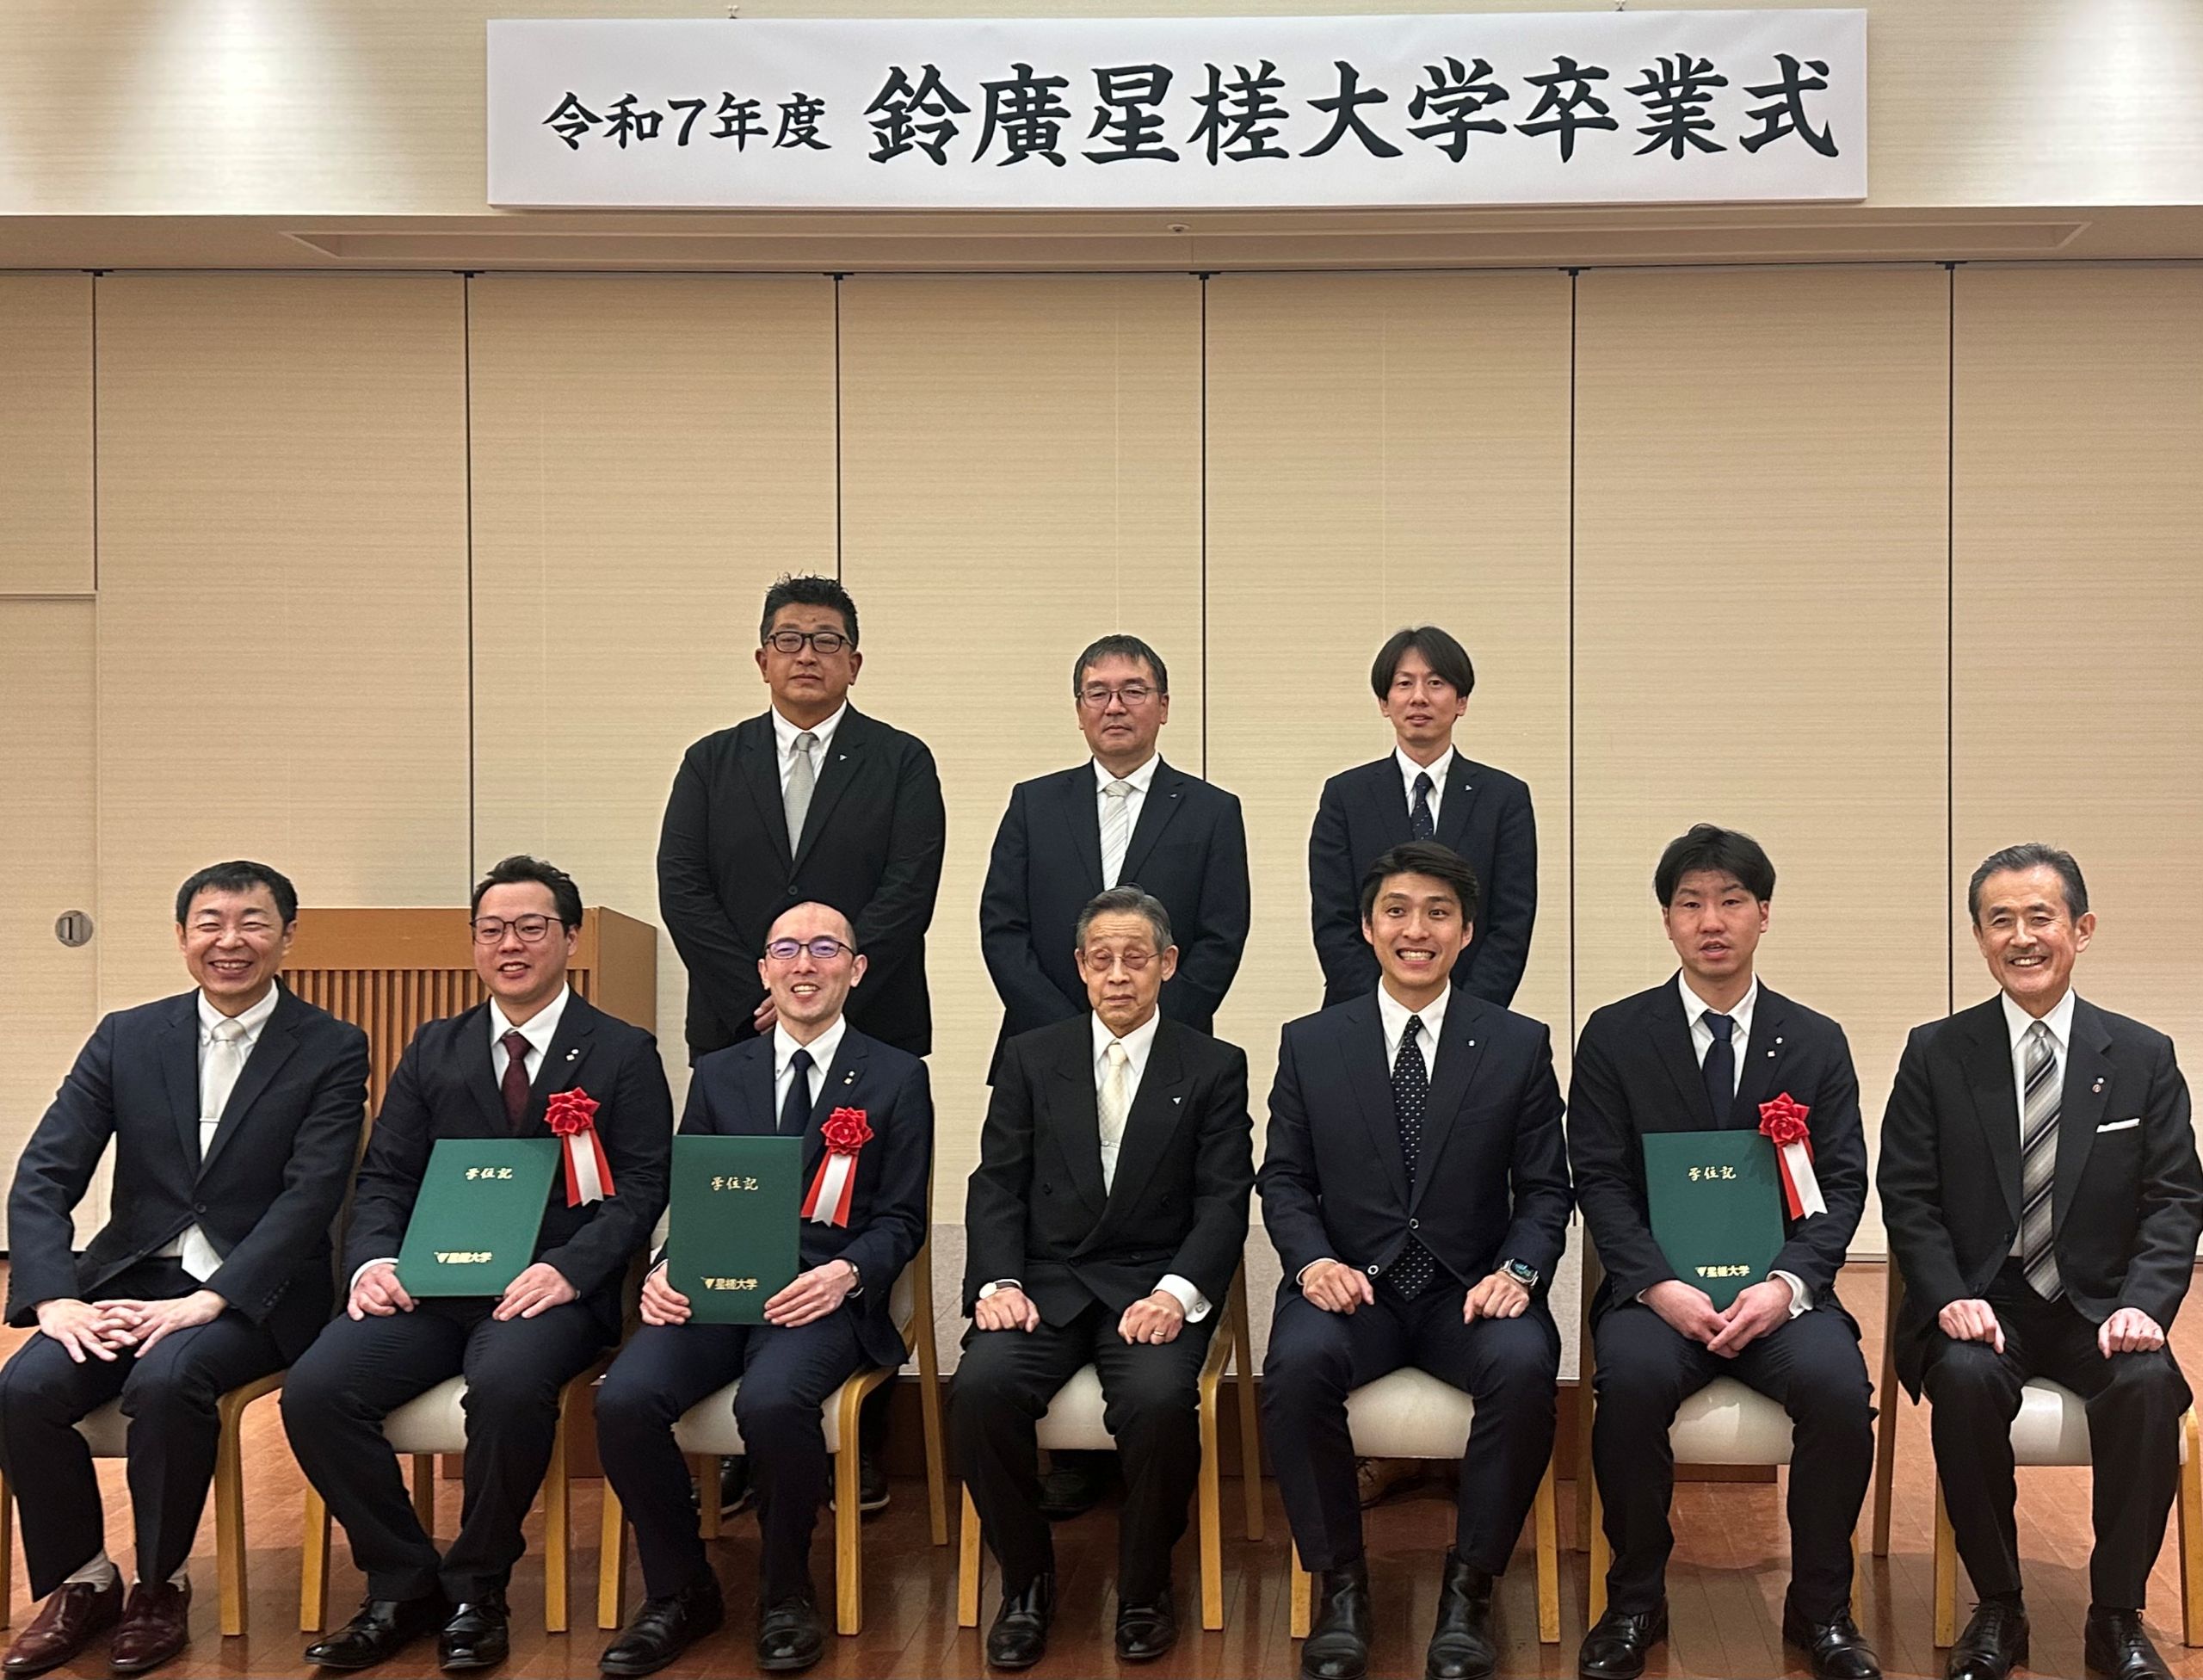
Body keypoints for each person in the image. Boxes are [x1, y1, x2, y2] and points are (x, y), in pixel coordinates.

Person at [283, 855, 672, 1673]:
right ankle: (401, 1581)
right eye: (492, 929)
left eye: (532, 927)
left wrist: (570, 1269)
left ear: (571, 939)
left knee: (507, 1387)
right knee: (316, 1390)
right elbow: (386, 1175)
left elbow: (642, 1186)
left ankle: (477, 1589)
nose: (510, 945)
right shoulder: (436, 1046)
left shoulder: (621, 1051)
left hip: (550, 1292)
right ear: (473, 942)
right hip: (432, 1286)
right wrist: (374, 1261)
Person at [0, 862, 368, 1678]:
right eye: (209, 923)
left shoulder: (332, 1047)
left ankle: (160, 1585)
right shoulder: (126, 1036)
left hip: (255, 1293)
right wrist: (55, 1297)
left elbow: (311, 1196)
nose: (229, 941)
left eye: (252, 923)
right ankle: (83, 1581)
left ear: (288, 936)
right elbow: (46, 1172)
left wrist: (216, 1298)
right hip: (131, 1278)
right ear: (180, 937)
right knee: (24, 1388)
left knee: (168, 1382)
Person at [1879, 844, 2203, 1680]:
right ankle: (1998, 1605)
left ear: (2080, 929)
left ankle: (2116, 1614)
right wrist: (1945, 1296)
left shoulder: (2142, 1055)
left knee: (2146, 1388)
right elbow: (1907, 1195)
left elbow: (2175, 1198)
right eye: (2000, 920)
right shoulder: (1936, 1053)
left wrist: (2144, 1304)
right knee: (1962, 1379)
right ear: (1979, 937)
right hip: (1984, 1298)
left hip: (2101, 1304)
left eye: (2039, 917)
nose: (2020, 937)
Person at [658, 571, 944, 1511]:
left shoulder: (900, 760)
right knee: (740, 1219)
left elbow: (910, 886)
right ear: (761, 658)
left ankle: (855, 1437)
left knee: (859, 1221)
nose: (807, 654)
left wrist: (829, 981)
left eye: (826, 640)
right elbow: (682, 885)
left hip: (870, 1031)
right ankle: (753, 1434)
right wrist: (767, 992)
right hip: (739, 1033)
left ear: (856, 660)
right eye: (790, 639)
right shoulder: (712, 761)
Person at [1568, 825, 1879, 1680]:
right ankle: (1635, 1599)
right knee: (1629, 1383)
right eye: (1691, 903)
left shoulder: (1813, 1039)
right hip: (1659, 1298)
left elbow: (1840, 1183)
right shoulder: (1616, 1034)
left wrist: (1786, 1285)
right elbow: (1599, 1179)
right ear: (1667, 919)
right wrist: (1656, 1285)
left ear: (1763, 914)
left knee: (1838, 1390)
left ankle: (1821, 1607)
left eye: (1732, 900)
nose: (1712, 920)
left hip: (1779, 1297)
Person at [593, 901, 932, 1677]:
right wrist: (664, 1269)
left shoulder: (896, 1076)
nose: (804, 965)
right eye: (786, 949)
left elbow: (902, 1219)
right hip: (716, 1287)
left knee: (774, 1403)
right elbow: (694, 1196)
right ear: (764, 971)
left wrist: (844, 1274)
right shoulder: (718, 1073)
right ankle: (680, 1589)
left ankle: (786, 1591)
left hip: (821, 1296)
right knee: (624, 1399)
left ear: (857, 969)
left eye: (825, 949)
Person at [1261, 840, 1571, 1680]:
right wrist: (1311, 1262)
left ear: (1466, 931)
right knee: (1295, 1365)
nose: (1416, 930)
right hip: (1351, 1289)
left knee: (1524, 1365)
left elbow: (1547, 1190)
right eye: (1396, 911)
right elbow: (1283, 1179)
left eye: (1438, 913)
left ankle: (1470, 1591)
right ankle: (1341, 1586)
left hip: (1467, 1292)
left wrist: (1518, 1272)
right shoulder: (1311, 1042)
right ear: (1367, 927)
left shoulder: (1515, 1043)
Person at [978, 633, 1249, 1519]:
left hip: (1167, 1059)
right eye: (1097, 690)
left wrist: (1150, 1026)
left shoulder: (1210, 811)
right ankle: (1073, 1460)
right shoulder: (1034, 803)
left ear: (1164, 705)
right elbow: (1002, 928)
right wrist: (1074, 1034)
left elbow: (1221, 935)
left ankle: (1143, 1469)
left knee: (1144, 1218)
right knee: (1052, 1223)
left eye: (1134, 689)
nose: (1115, 704)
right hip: (1046, 1056)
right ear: (1078, 708)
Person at [954, 886, 1255, 1670]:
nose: (1118, 975)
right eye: (1101, 959)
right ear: (1081, 967)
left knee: (1158, 1402)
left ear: (1168, 964)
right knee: (980, 1388)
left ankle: (1146, 1588)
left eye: (1135, 958)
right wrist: (997, 1285)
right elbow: (996, 1184)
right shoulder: (1032, 1056)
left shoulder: (1214, 1065)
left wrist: (1177, 1294)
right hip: (1046, 1283)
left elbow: (1224, 1201)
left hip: (1152, 1287)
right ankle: (1026, 1583)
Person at [1308, 626, 1536, 1013]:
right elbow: (1334, 920)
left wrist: (1465, 1012)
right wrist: (1385, 1010)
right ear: (1384, 702)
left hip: (1473, 1015)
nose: (1419, 697)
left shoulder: (1504, 797)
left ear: (1461, 701)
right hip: (1362, 1013)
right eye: (1404, 684)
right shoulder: (1346, 795)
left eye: (1436, 683)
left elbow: (1511, 924)